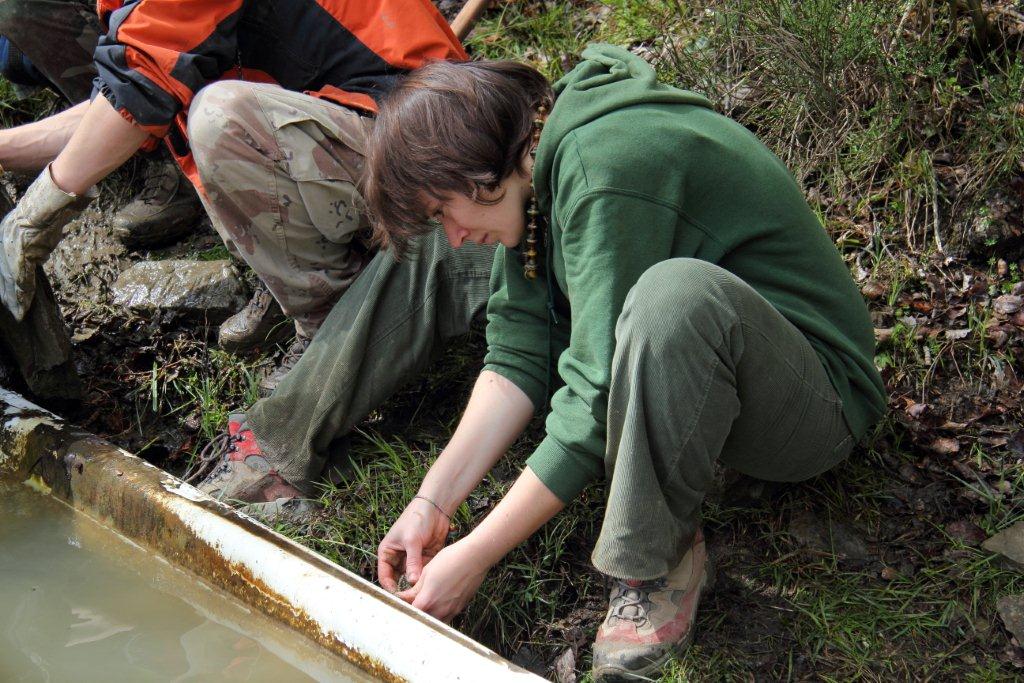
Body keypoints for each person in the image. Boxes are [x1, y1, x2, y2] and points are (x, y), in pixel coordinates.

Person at [362, 45, 887, 682]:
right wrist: (432, 503)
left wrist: (475, 555)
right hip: (728, 379)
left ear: (479, 171)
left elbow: (593, 392)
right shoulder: (536, 172)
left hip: (818, 404)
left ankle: (658, 557)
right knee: (658, 309)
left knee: (672, 299)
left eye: (443, 211)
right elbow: (523, 346)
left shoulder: (603, 167)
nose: (451, 237)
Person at [0, 0, 467, 394]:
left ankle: (339, 330)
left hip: (420, 138)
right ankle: (325, 276)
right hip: (369, 124)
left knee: (218, 117)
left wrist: (30, 221)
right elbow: (111, 102)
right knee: (204, 111)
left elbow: (137, 88)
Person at [0, 0, 203, 250]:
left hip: (182, 43)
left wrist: (33, 213)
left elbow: (146, 69)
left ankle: (173, 149)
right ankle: (115, 144)